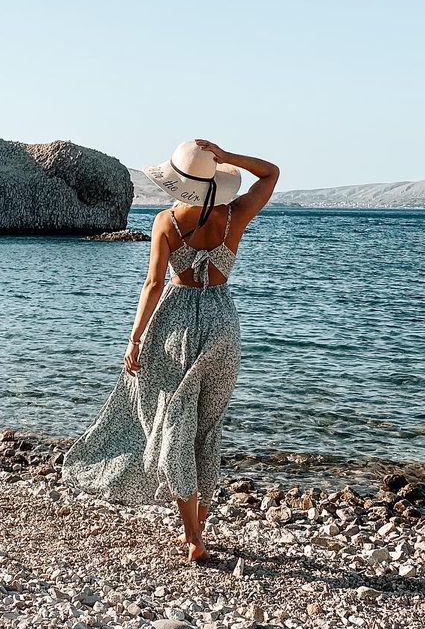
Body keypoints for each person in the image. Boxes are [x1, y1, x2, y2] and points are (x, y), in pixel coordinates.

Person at [61, 138, 280, 562]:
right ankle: (200, 526)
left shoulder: (166, 221)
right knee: (207, 425)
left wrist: (135, 337)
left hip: (175, 323)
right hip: (221, 322)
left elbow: (153, 285)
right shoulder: (234, 215)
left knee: (174, 420)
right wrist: (229, 158)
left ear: (178, 182)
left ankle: (193, 535)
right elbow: (271, 172)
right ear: (216, 180)